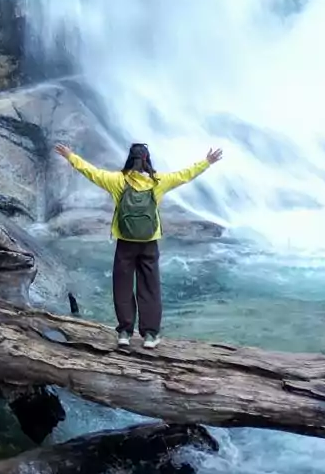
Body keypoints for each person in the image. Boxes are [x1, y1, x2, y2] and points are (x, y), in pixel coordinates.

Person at [54, 140, 223, 349]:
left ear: (129, 159)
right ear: (146, 160)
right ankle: (150, 335)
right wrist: (207, 162)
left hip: (125, 242)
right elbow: (184, 175)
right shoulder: (158, 181)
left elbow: (91, 172)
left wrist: (71, 156)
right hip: (149, 243)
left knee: (123, 287)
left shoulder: (117, 180)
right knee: (150, 288)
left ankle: (125, 332)